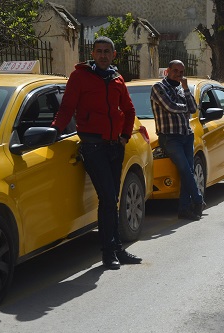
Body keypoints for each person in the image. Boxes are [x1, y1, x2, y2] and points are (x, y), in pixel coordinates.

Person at [51, 36, 142, 270]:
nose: (103, 55)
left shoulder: (117, 78)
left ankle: (117, 248)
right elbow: (67, 108)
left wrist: (124, 136)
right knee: (108, 198)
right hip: (93, 145)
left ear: (113, 55)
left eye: (107, 51)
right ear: (92, 54)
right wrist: (54, 130)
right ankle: (108, 252)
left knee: (113, 199)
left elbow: (129, 110)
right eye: (99, 51)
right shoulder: (80, 77)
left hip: (115, 146)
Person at [150, 60, 205, 221]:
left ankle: (184, 209)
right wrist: (185, 107)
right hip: (170, 137)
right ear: (167, 71)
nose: (178, 74)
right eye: (175, 71)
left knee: (187, 170)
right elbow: (170, 107)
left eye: (181, 72)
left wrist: (187, 88)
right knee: (185, 170)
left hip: (186, 135)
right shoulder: (158, 87)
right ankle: (198, 199)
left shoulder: (181, 88)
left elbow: (193, 108)